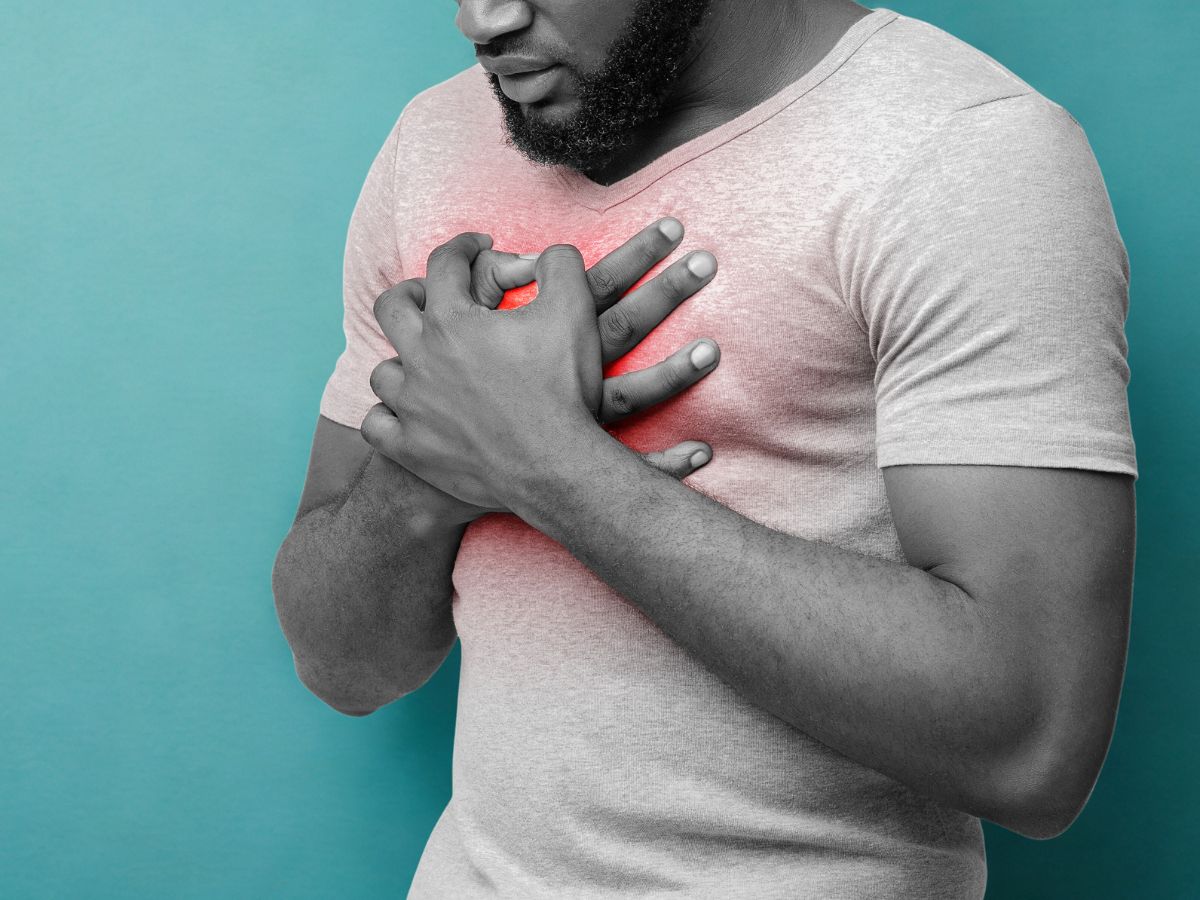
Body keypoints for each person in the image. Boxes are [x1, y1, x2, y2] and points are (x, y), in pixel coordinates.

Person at [271, 0, 1138, 896]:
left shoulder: (963, 154)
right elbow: (340, 666)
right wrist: (427, 472)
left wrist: (547, 464)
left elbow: (1031, 751)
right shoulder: (435, 140)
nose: (480, 18)